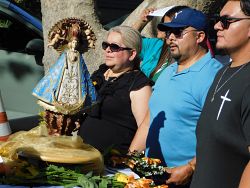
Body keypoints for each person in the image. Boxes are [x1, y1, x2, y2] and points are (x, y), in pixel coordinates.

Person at [129, 7, 223, 188]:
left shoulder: (214, 76)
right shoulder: (168, 71)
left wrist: (190, 168)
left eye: (178, 32)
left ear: (200, 37)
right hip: (151, 177)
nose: (170, 37)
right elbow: (150, 120)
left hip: (188, 180)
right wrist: (130, 158)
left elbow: (220, 137)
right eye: (169, 32)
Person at [190, 1, 250, 188]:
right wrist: (189, 168)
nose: (216, 26)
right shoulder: (223, 72)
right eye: (217, 20)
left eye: (226, 21)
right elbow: (216, 143)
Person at [78, 26, 152, 155]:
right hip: (81, 154)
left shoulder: (139, 85)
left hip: (112, 164)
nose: (108, 50)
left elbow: (145, 128)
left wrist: (128, 161)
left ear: (132, 54)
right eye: (106, 45)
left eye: (115, 47)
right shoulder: (100, 74)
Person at [32, 21, 97, 135]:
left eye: (76, 42)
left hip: (75, 83)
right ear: (69, 43)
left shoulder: (78, 55)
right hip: (63, 81)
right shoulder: (66, 54)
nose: (75, 44)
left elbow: (82, 71)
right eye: (73, 42)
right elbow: (59, 68)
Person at [133, 6, 188, 82]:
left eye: (164, 26)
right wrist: (142, 21)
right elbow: (127, 40)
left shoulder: (182, 51)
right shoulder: (155, 44)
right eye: (160, 23)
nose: (159, 27)